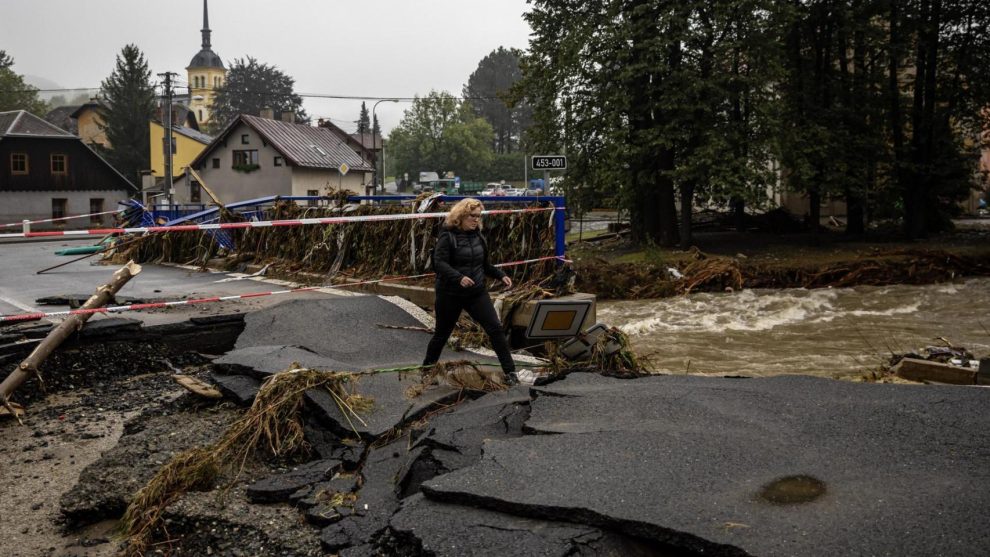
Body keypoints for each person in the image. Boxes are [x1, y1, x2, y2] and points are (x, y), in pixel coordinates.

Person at [423, 198, 518, 383]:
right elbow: (439, 264)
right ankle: (427, 369)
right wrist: (458, 277)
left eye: (478, 216)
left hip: (476, 292)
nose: (475, 220)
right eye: (472, 216)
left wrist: (499, 274)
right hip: (450, 293)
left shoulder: (478, 235)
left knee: (496, 329)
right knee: (442, 334)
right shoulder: (447, 235)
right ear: (461, 216)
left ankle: (510, 372)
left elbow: (483, 264)